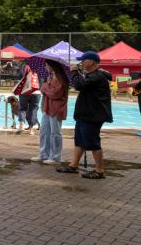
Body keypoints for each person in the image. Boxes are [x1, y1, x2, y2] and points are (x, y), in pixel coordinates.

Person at [57, 51, 112, 179]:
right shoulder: (92, 75)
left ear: (91, 62)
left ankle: (100, 170)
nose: (81, 62)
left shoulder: (97, 76)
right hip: (86, 114)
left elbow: (78, 85)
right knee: (80, 141)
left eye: (83, 60)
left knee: (93, 143)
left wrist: (75, 72)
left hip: (92, 116)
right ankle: (73, 166)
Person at [35, 59, 68, 164]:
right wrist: (46, 87)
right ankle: (43, 154)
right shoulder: (49, 77)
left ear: (52, 66)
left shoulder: (60, 78)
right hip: (47, 108)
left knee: (55, 133)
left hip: (56, 109)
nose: (45, 67)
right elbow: (48, 91)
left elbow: (55, 94)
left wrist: (44, 87)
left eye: (46, 65)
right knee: (44, 132)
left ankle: (55, 157)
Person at [14, 64, 40, 134]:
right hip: (36, 93)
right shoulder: (38, 71)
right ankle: (31, 130)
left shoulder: (23, 69)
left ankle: (21, 126)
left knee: (22, 109)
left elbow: (18, 81)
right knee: (33, 109)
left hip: (24, 92)